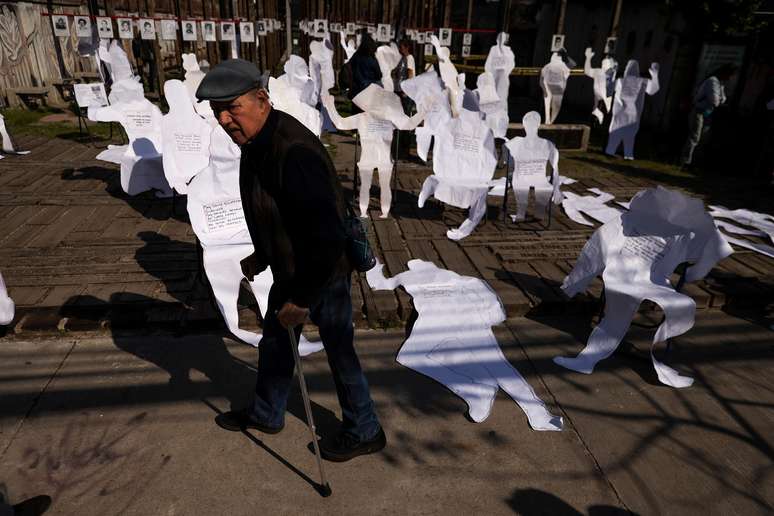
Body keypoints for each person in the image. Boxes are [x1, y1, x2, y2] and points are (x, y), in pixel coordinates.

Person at [195, 59, 386, 462]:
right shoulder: (255, 142)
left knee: (339, 349)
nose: (225, 119)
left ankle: (366, 429)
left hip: (321, 270)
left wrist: (301, 298)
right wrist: (261, 255)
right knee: (277, 344)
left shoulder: (294, 151)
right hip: (289, 264)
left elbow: (326, 234)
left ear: (262, 99)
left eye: (232, 107)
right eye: (218, 111)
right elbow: (273, 208)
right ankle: (267, 413)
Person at [681, 63, 738, 167]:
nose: (730, 78)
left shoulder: (720, 84)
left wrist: (720, 98)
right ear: (725, 73)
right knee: (695, 137)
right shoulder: (712, 81)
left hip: (707, 113)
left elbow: (722, 99)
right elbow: (715, 101)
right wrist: (720, 99)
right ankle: (685, 161)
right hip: (699, 111)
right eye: (730, 75)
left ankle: (694, 163)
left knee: (703, 139)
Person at [348, 30, 381, 104]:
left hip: (357, 90)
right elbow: (378, 75)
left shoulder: (356, 56)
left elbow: (349, 67)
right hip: (369, 90)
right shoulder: (372, 58)